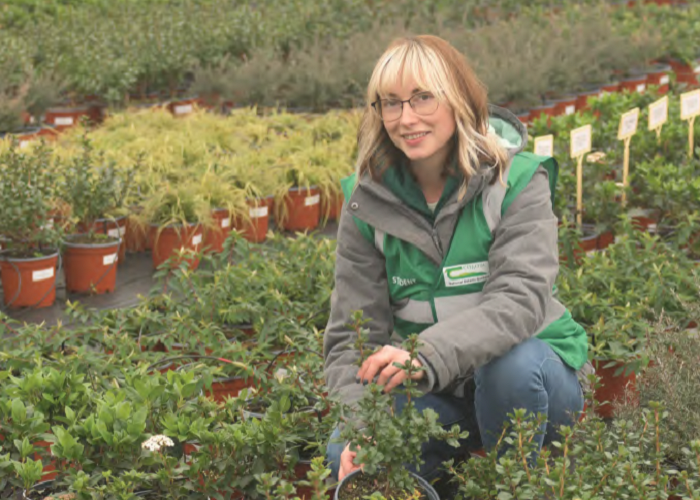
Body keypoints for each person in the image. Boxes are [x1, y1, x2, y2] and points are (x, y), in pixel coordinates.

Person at [323, 34, 593, 482]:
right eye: (390, 103)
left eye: (422, 98)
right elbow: (352, 341)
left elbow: (519, 302)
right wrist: (362, 426)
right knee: (344, 456)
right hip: (438, 393)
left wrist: (424, 355)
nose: (406, 118)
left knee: (511, 367)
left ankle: (516, 486)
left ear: (458, 100)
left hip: (533, 379)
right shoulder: (365, 203)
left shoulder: (518, 181)